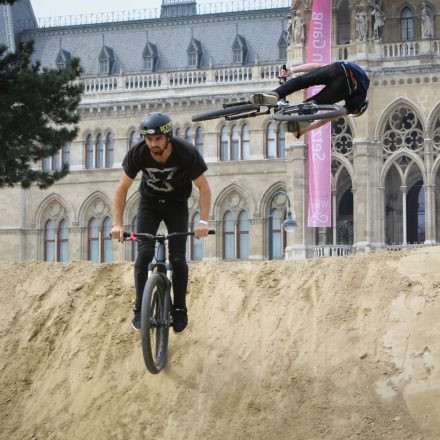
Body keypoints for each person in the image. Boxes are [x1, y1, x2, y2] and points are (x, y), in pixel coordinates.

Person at [111, 112, 211, 334]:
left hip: (177, 205)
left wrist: (203, 221)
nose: (153, 144)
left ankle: (180, 309)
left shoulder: (185, 153)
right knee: (144, 253)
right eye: (148, 139)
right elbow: (122, 188)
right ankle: (139, 308)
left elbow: (203, 187)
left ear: (168, 137)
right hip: (149, 204)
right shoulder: (138, 153)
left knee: (177, 257)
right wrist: (117, 224)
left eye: (157, 139)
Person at [250, 61, 370, 137]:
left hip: (338, 68)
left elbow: (317, 66)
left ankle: (274, 95)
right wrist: (304, 130)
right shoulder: (359, 99)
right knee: (312, 104)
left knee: (300, 81)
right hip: (346, 86)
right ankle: (301, 121)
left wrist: (292, 70)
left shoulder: (357, 72)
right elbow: (326, 119)